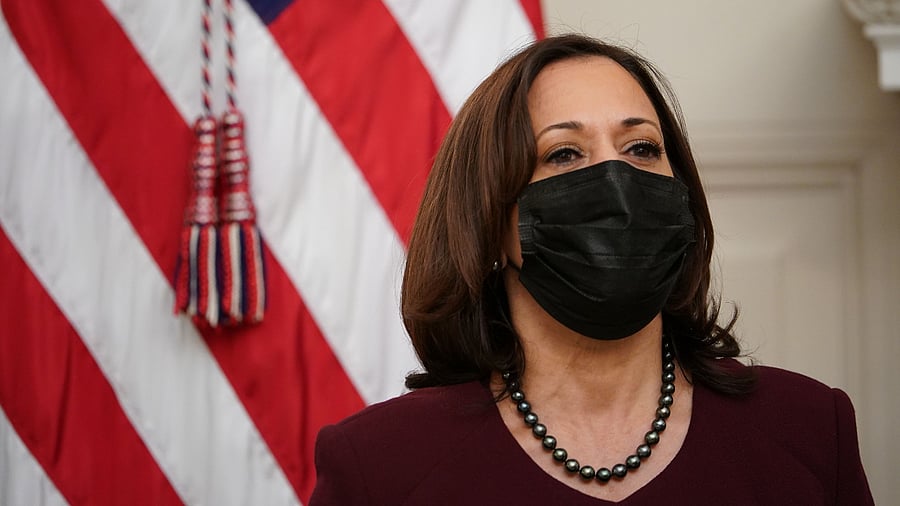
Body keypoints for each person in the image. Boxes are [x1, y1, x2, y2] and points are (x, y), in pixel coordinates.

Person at [309, 33, 873, 505]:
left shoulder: (810, 430)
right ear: (489, 223)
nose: (617, 182)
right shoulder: (379, 468)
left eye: (642, 148)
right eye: (564, 154)